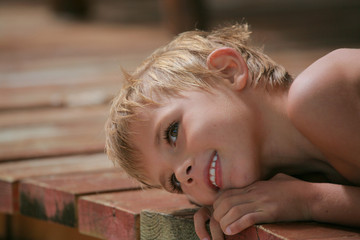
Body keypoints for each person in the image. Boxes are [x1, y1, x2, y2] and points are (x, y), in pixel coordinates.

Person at [105, 24, 360, 240]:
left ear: (227, 71)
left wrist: (309, 200)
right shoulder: (295, 174)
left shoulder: (323, 92)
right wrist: (234, 205)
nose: (183, 175)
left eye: (172, 133)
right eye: (174, 182)